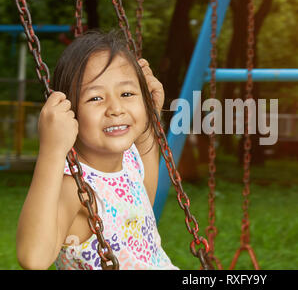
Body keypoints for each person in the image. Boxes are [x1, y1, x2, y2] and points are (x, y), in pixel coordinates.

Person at [16, 30, 178, 270]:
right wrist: (51, 151)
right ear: (69, 112)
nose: (115, 108)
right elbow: (33, 259)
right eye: (95, 98)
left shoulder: (130, 157)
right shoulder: (74, 186)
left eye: (127, 94)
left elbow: (145, 204)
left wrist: (151, 114)